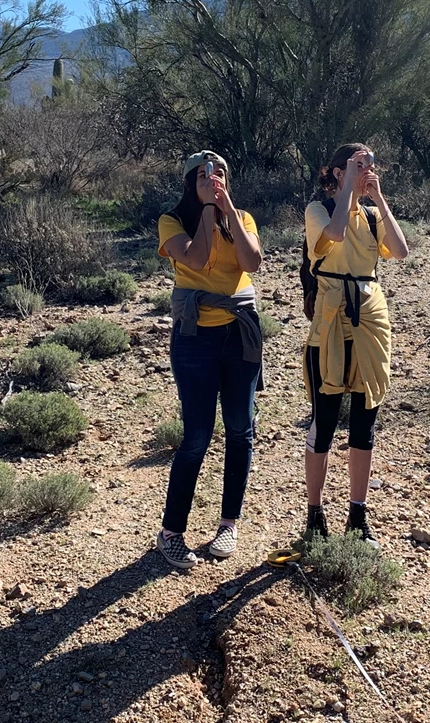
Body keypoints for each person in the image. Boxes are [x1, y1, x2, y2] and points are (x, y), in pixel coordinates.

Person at [155, 150, 264, 569]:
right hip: (195, 335)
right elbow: (197, 259)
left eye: (218, 173)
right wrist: (205, 210)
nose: (213, 178)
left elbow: (252, 261)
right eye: (203, 175)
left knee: (241, 430)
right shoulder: (172, 222)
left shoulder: (242, 218)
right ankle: (171, 533)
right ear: (188, 183)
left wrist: (227, 210)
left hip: (239, 334)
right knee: (197, 437)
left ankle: (228, 524)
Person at [302, 143, 409, 546]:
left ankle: (358, 516)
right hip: (330, 318)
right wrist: (348, 185)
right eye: (356, 164)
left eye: (368, 165)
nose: (365, 170)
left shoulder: (372, 212)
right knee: (324, 420)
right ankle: (315, 515)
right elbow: (334, 235)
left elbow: (399, 250)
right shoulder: (319, 210)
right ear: (335, 171)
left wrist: (378, 195)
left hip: (371, 316)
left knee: (365, 421)